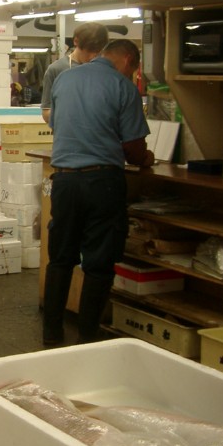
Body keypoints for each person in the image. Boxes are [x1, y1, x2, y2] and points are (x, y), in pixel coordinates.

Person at [42, 39, 154, 346]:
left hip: (63, 180)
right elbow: (132, 148)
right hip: (102, 182)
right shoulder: (123, 87)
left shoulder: (65, 78)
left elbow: (63, 124)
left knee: (60, 258)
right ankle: (88, 337)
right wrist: (146, 158)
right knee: (99, 262)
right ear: (129, 60)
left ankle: (51, 334)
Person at [40, 22, 109, 123]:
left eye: (97, 51)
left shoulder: (105, 71)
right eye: (88, 51)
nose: (92, 56)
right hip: (68, 136)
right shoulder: (56, 69)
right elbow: (46, 113)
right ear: (76, 41)